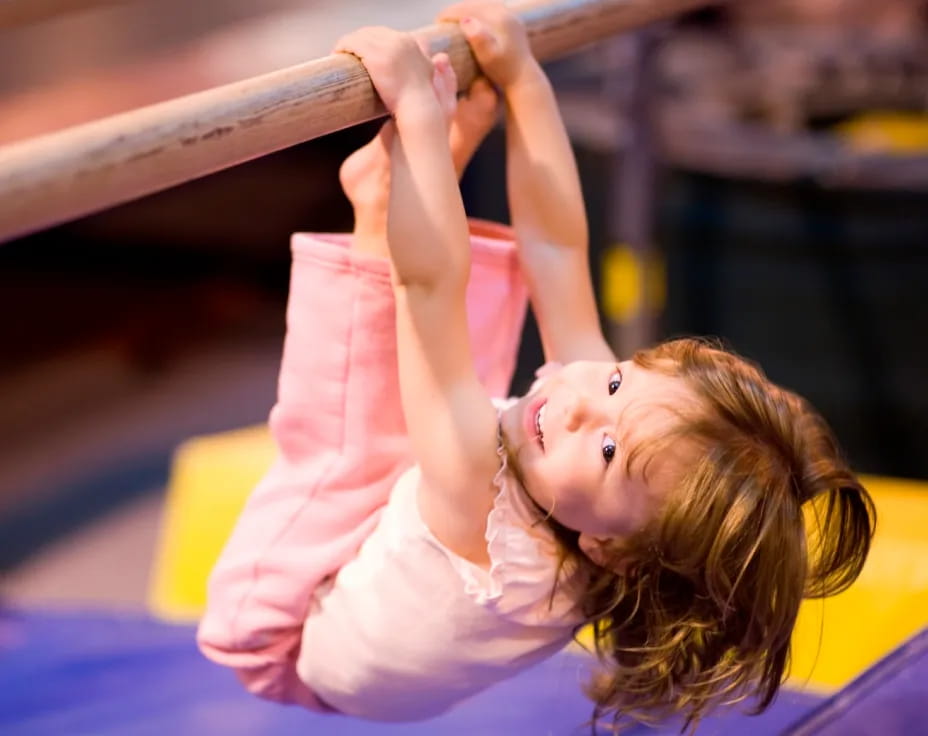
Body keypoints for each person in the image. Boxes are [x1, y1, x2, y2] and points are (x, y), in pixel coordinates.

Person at [198, 2, 876, 731]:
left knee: (373, 430)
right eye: (617, 380)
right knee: (480, 394)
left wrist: (418, 117)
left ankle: (386, 205)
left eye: (611, 450)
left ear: (611, 551)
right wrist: (525, 80)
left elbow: (428, 287)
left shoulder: (481, 516)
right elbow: (556, 246)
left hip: (283, 630)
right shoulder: (614, 497)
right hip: (392, 587)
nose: (585, 405)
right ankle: (388, 200)